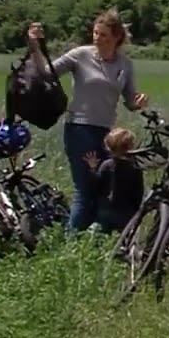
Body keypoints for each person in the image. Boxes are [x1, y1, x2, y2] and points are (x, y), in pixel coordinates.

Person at [27, 12, 149, 233]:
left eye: (103, 35)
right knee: (85, 189)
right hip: (79, 129)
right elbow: (47, 73)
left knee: (103, 189)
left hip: (106, 134)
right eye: (95, 33)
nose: (97, 38)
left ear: (116, 38)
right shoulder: (80, 55)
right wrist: (35, 46)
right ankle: (70, 243)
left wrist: (138, 101)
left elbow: (129, 100)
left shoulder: (125, 64)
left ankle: (94, 241)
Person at [82, 127, 142, 233]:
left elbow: (96, 185)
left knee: (102, 231)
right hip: (126, 213)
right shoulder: (135, 167)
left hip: (106, 210)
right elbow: (138, 193)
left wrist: (93, 168)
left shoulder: (107, 165)